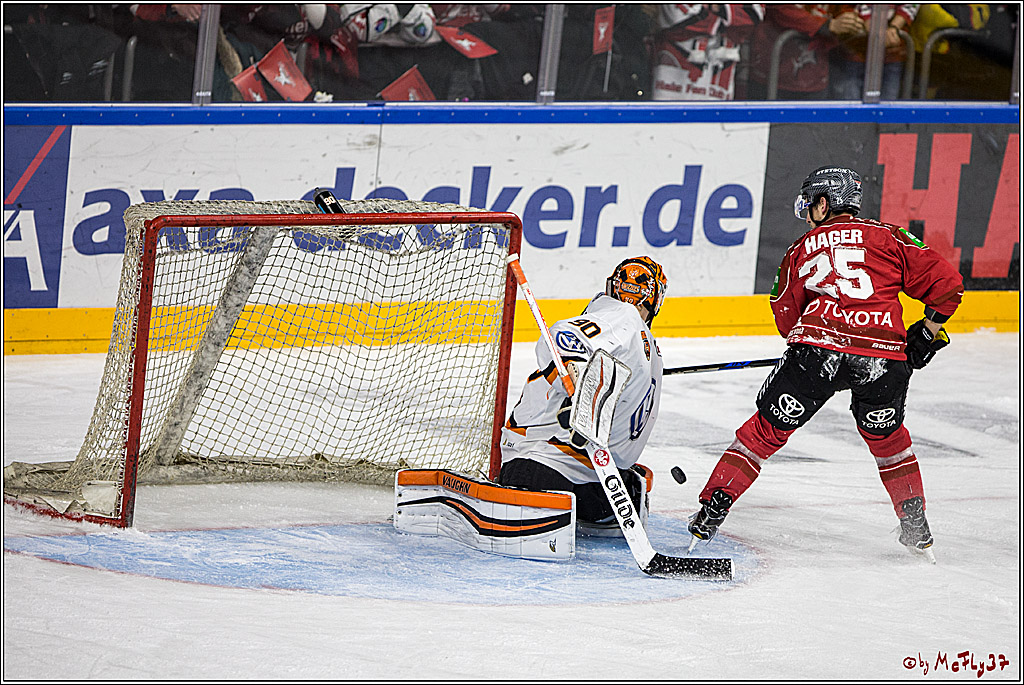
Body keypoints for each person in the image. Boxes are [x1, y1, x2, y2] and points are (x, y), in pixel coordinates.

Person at [688, 166, 964, 558]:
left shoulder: (801, 248)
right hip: (883, 359)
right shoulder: (890, 237)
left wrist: (809, 343)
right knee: (888, 441)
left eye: (810, 203)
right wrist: (926, 333)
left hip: (816, 354)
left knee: (764, 432)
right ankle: (915, 523)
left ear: (824, 201)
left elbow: (784, 314)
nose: (807, 213)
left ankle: (711, 510)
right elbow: (948, 287)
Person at [497, 257, 668, 535]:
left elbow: (564, 337)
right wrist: (575, 380)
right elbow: (564, 340)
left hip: (542, 472)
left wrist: (576, 382)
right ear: (657, 298)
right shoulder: (647, 346)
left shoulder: (622, 318)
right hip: (607, 491)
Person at [827, 4, 917, 100]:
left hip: (892, 54)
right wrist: (872, 26)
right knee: (851, 108)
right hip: (854, 51)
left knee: (888, 109)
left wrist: (894, 27)